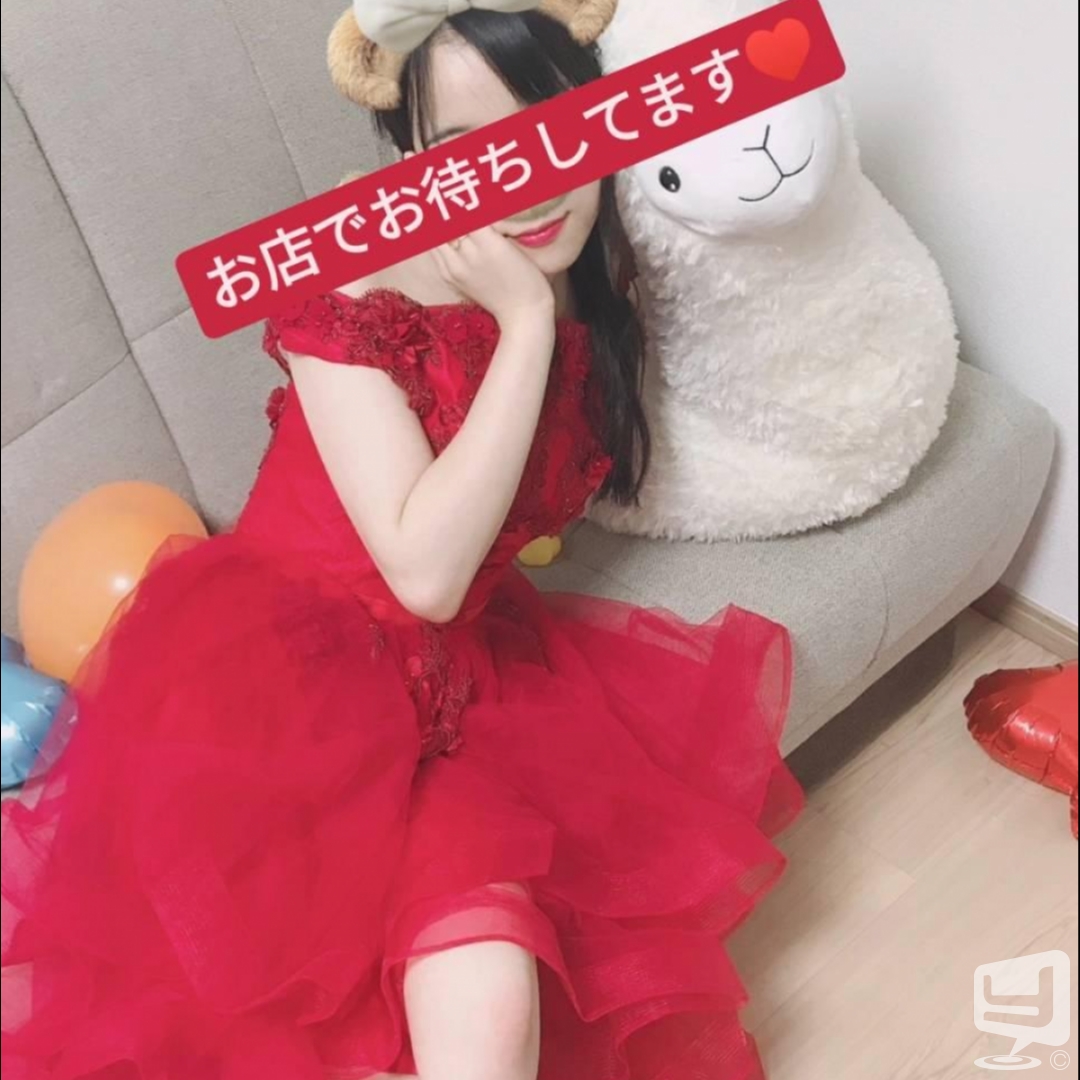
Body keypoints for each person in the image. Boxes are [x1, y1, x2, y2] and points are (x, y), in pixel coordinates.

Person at [0, 3, 804, 1078]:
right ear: (411, 161)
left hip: (470, 692)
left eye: (548, 125)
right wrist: (524, 325)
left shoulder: (589, 257)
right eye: (469, 152)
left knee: (492, 1021)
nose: (523, 181)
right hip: (291, 697)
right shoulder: (352, 287)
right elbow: (424, 573)